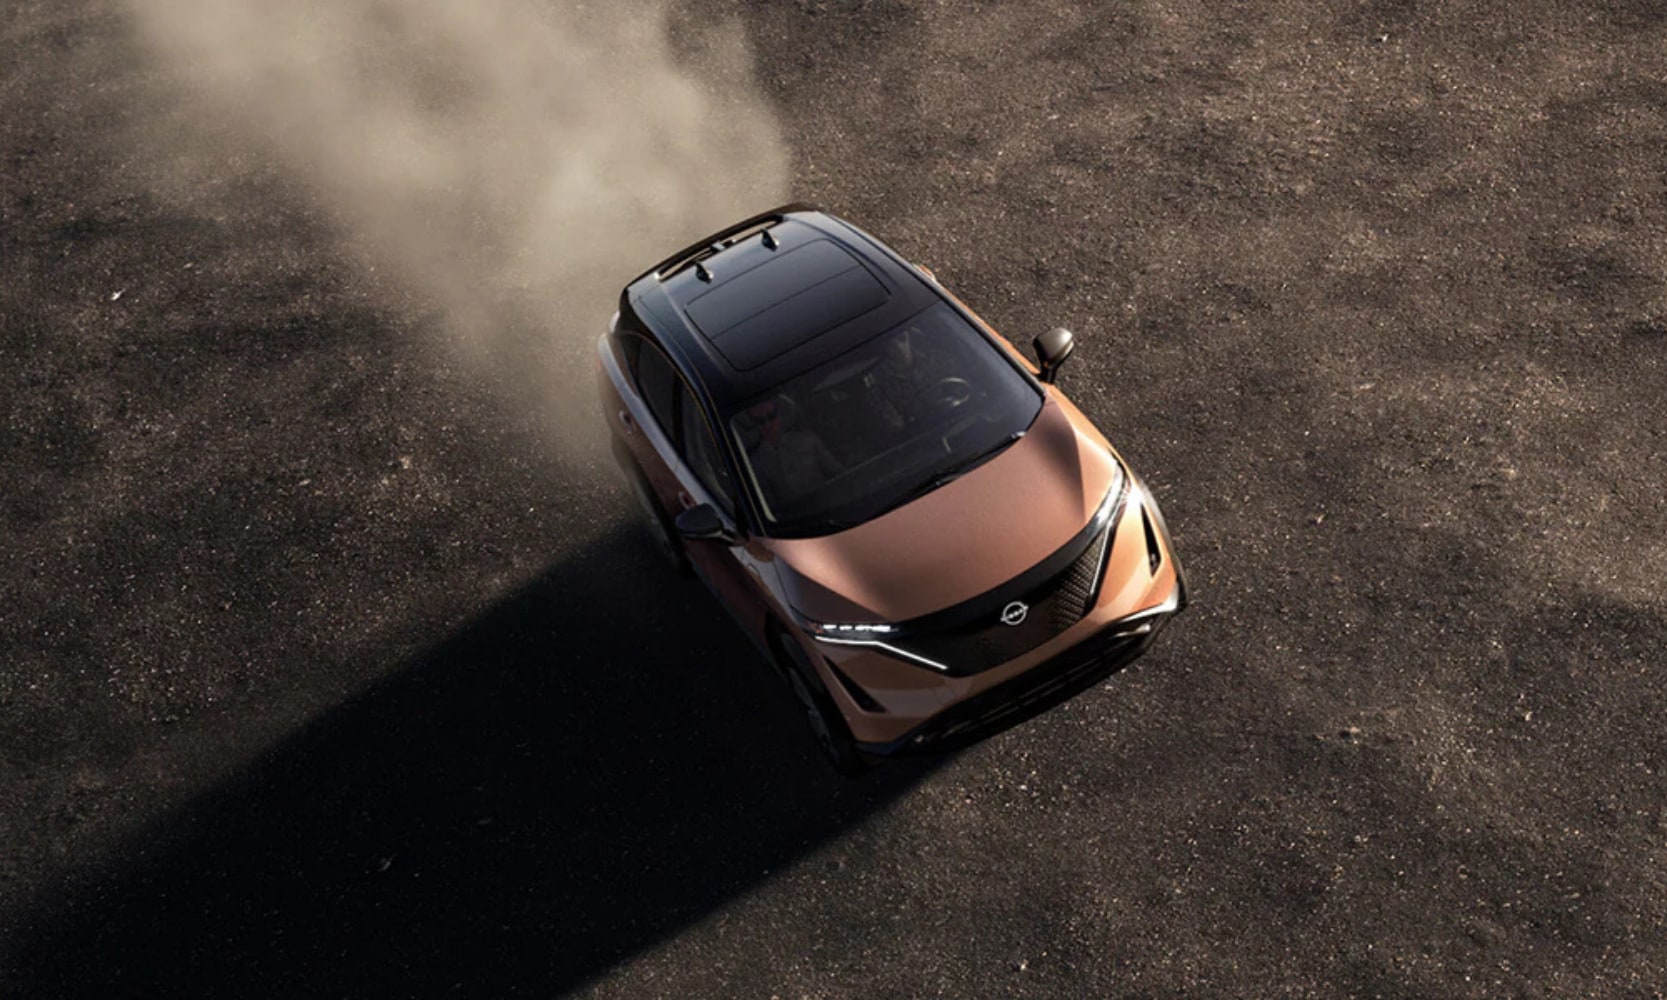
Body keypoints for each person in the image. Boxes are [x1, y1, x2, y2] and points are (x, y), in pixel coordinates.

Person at [742, 396, 843, 511]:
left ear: (779, 415)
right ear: (754, 425)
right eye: (760, 421)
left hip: (830, 506)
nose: (767, 425)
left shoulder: (808, 439)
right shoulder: (755, 463)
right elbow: (769, 505)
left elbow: (837, 473)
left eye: (771, 416)